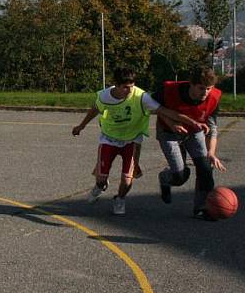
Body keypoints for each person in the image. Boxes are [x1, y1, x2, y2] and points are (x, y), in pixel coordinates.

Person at [72, 67, 207, 215]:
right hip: (109, 139)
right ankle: (100, 186)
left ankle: (120, 199)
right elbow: (95, 109)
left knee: (127, 180)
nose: (129, 90)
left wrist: (192, 123)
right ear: (115, 85)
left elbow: (164, 111)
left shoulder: (141, 97)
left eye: (131, 86)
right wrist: (81, 126)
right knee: (101, 179)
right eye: (125, 87)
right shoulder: (104, 97)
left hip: (132, 141)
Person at [154, 66, 225, 220]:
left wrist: (211, 152)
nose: (205, 93)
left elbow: (212, 127)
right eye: (201, 88)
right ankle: (165, 178)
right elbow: (154, 107)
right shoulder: (169, 90)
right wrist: (171, 123)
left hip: (194, 131)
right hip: (169, 132)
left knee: (205, 169)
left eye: (209, 89)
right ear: (191, 84)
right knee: (180, 176)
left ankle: (202, 207)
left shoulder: (213, 98)